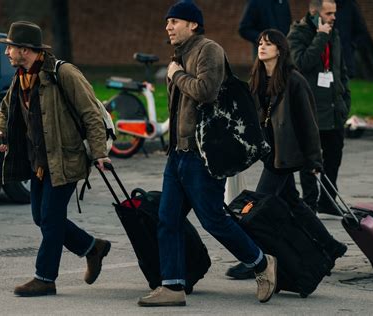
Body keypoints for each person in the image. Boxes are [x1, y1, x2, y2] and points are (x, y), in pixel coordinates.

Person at [137, 0, 277, 307]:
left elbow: (206, 91)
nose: (168, 27)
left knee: (213, 219)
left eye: (174, 21)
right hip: (178, 154)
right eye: (167, 22)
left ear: (193, 24)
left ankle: (261, 263)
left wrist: (175, 74)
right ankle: (173, 286)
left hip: (202, 156)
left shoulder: (208, 50)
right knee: (167, 219)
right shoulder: (180, 54)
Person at [0, 21, 112, 297]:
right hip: (38, 163)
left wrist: (100, 153)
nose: (7, 53)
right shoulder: (21, 77)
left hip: (65, 159)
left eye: (10, 48)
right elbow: (5, 109)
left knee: (50, 217)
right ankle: (92, 247)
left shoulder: (63, 73)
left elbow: (91, 114)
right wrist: (0, 129)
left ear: (25, 49)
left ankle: (45, 277)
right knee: (41, 217)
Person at [226, 29, 347, 280]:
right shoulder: (258, 78)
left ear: (279, 50)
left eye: (268, 44)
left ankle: (254, 259)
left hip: (285, 157)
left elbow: (308, 124)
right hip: (270, 154)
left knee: (256, 209)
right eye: (260, 43)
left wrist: (315, 161)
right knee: (293, 202)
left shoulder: (294, 81)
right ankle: (332, 246)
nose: (261, 47)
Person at [287, 0, 351, 216]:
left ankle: (328, 201)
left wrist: (345, 98)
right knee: (310, 160)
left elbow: (340, 69)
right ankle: (310, 203)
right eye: (329, 13)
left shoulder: (335, 33)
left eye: (335, 12)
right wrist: (320, 37)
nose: (334, 17)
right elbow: (301, 63)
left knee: (334, 157)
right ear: (314, 12)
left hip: (334, 109)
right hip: (310, 108)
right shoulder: (298, 33)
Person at [334, 0, 367, 78]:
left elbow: (361, 31)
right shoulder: (324, 4)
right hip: (327, 55)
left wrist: (352, 45)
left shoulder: (350, 6)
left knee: (343, 85)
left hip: (345, 55)